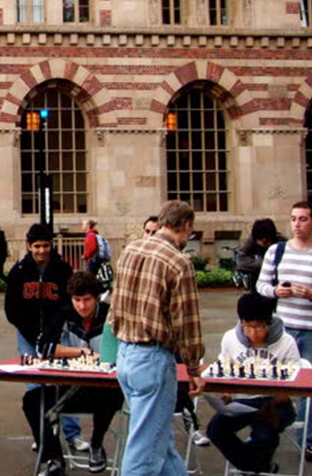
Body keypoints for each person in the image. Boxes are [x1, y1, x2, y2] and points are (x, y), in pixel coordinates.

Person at [112, 200, 205, 476]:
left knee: (158, 442)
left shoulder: (130, 250)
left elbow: (115, 306)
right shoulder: (179, 262)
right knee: (144, 452)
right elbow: (187, 322)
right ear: (186, 226)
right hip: (152, 358)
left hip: (125, 354)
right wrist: (194, 368)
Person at [23, 272, 125, 475]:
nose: (82, 306)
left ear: (96, 298)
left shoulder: (110, 315)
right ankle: (54, 458)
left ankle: (96, 444)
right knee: (32, 400)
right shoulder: (64, 314)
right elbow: (43, 348)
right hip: (70, 390)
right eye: (77, 300)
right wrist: (82, 352)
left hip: (103, 390)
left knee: (114, 393)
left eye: (87, 300)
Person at [4, 223, 87, 452]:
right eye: (37, 246)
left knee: (65, 381)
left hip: (58, 335)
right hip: (28, 335)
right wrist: (32, 333)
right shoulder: (19, 271)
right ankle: (41, 433)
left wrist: (52, 331)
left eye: (46, 246)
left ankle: (72, 435)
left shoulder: (62, 270)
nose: (42, 251)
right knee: (35, 385)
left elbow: (68, 304)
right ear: (29, 246)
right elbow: (12, 309)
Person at [206, 292, 299, 474]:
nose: (253, 333)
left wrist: (274, 402)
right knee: (215, 429)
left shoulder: (287, 342)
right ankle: (261, 467)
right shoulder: (230, 338)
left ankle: (253, 467)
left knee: (264, 434)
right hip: (244, 403)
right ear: (241, 322)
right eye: (248, 326)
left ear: (269, 323)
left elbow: (296, 383)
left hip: (276, 403)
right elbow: (223, 372)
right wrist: (225, 395)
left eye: (259, 327)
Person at [256, 200, 312, 457]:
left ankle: (307, 441)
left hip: (310, 329)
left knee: (309, 390)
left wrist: (310, 294)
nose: (297, 224)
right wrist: (276, 291)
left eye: (303, 219)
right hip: (283, 329)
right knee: (273, 385)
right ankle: (265, 436)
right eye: (293, 219)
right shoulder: (277, 251)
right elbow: (262, 285)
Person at [237, 218, 281, 292]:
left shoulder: (281, 241)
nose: (267, 244)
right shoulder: (252, 241)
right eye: (263, 242)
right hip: (257, 279)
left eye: (269, 241)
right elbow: (241, 261)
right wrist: (263, 264)